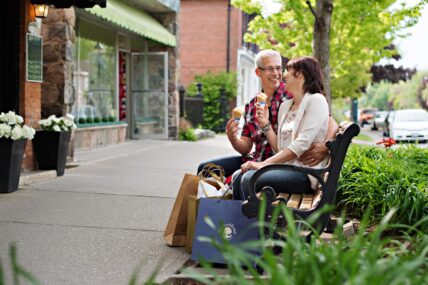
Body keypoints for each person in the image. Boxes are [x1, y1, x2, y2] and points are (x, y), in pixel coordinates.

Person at [196, 50, 337, 194]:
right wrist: (233, 137)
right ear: (258, 72)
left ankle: (233, 212)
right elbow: (246, 147)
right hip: (261, 159)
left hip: (282, 164)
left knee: (240, 178)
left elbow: (328, 122)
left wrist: (326, 145)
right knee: (206, 168)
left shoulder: (296, 95)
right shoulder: (255, 105)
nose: (278, 74)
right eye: (271, 69)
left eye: (280, 68)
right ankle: (214, 211)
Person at [237, 56, 330, 199]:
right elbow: (279, 147)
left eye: (287, 70)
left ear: (299, 74)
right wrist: (265, 124)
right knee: (239, 176)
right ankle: (241, 221)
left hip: (304, 174)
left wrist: (263, 164)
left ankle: (254, 221)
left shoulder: (316, 100)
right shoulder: (286, 106)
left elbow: (302, 143)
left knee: (249, 178)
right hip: (286, 168)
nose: (283, 75)